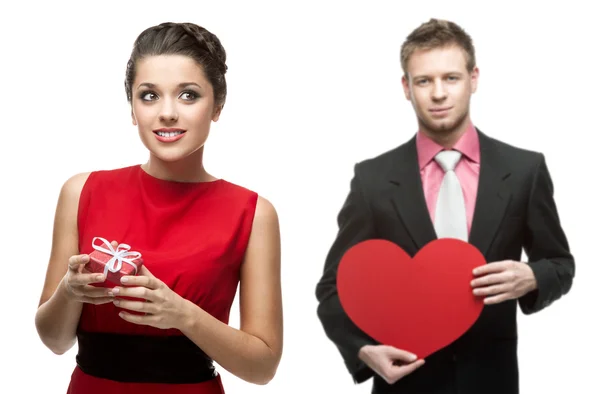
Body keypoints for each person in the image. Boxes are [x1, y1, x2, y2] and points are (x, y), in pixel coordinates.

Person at [315, 18, 574, 394]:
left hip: (492, 383)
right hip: (404, 385)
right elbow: (333, 287)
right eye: (424, 81)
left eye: (451, 78)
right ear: (406, 87)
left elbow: (561, 264)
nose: (438, 93)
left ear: (474, 79)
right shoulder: (372, 180)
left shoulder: (523, 171)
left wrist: (533, 277)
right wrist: (362, 351)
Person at [34, 22, 283, 394]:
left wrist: (181, 314)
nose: (167, 113)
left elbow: (262, 368)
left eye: (188, 95)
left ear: (217, 106)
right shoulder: (81, 191)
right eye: (149, 96)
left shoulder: (253, 213)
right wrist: (69, 292)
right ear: (133, 108)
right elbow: (54, 341)